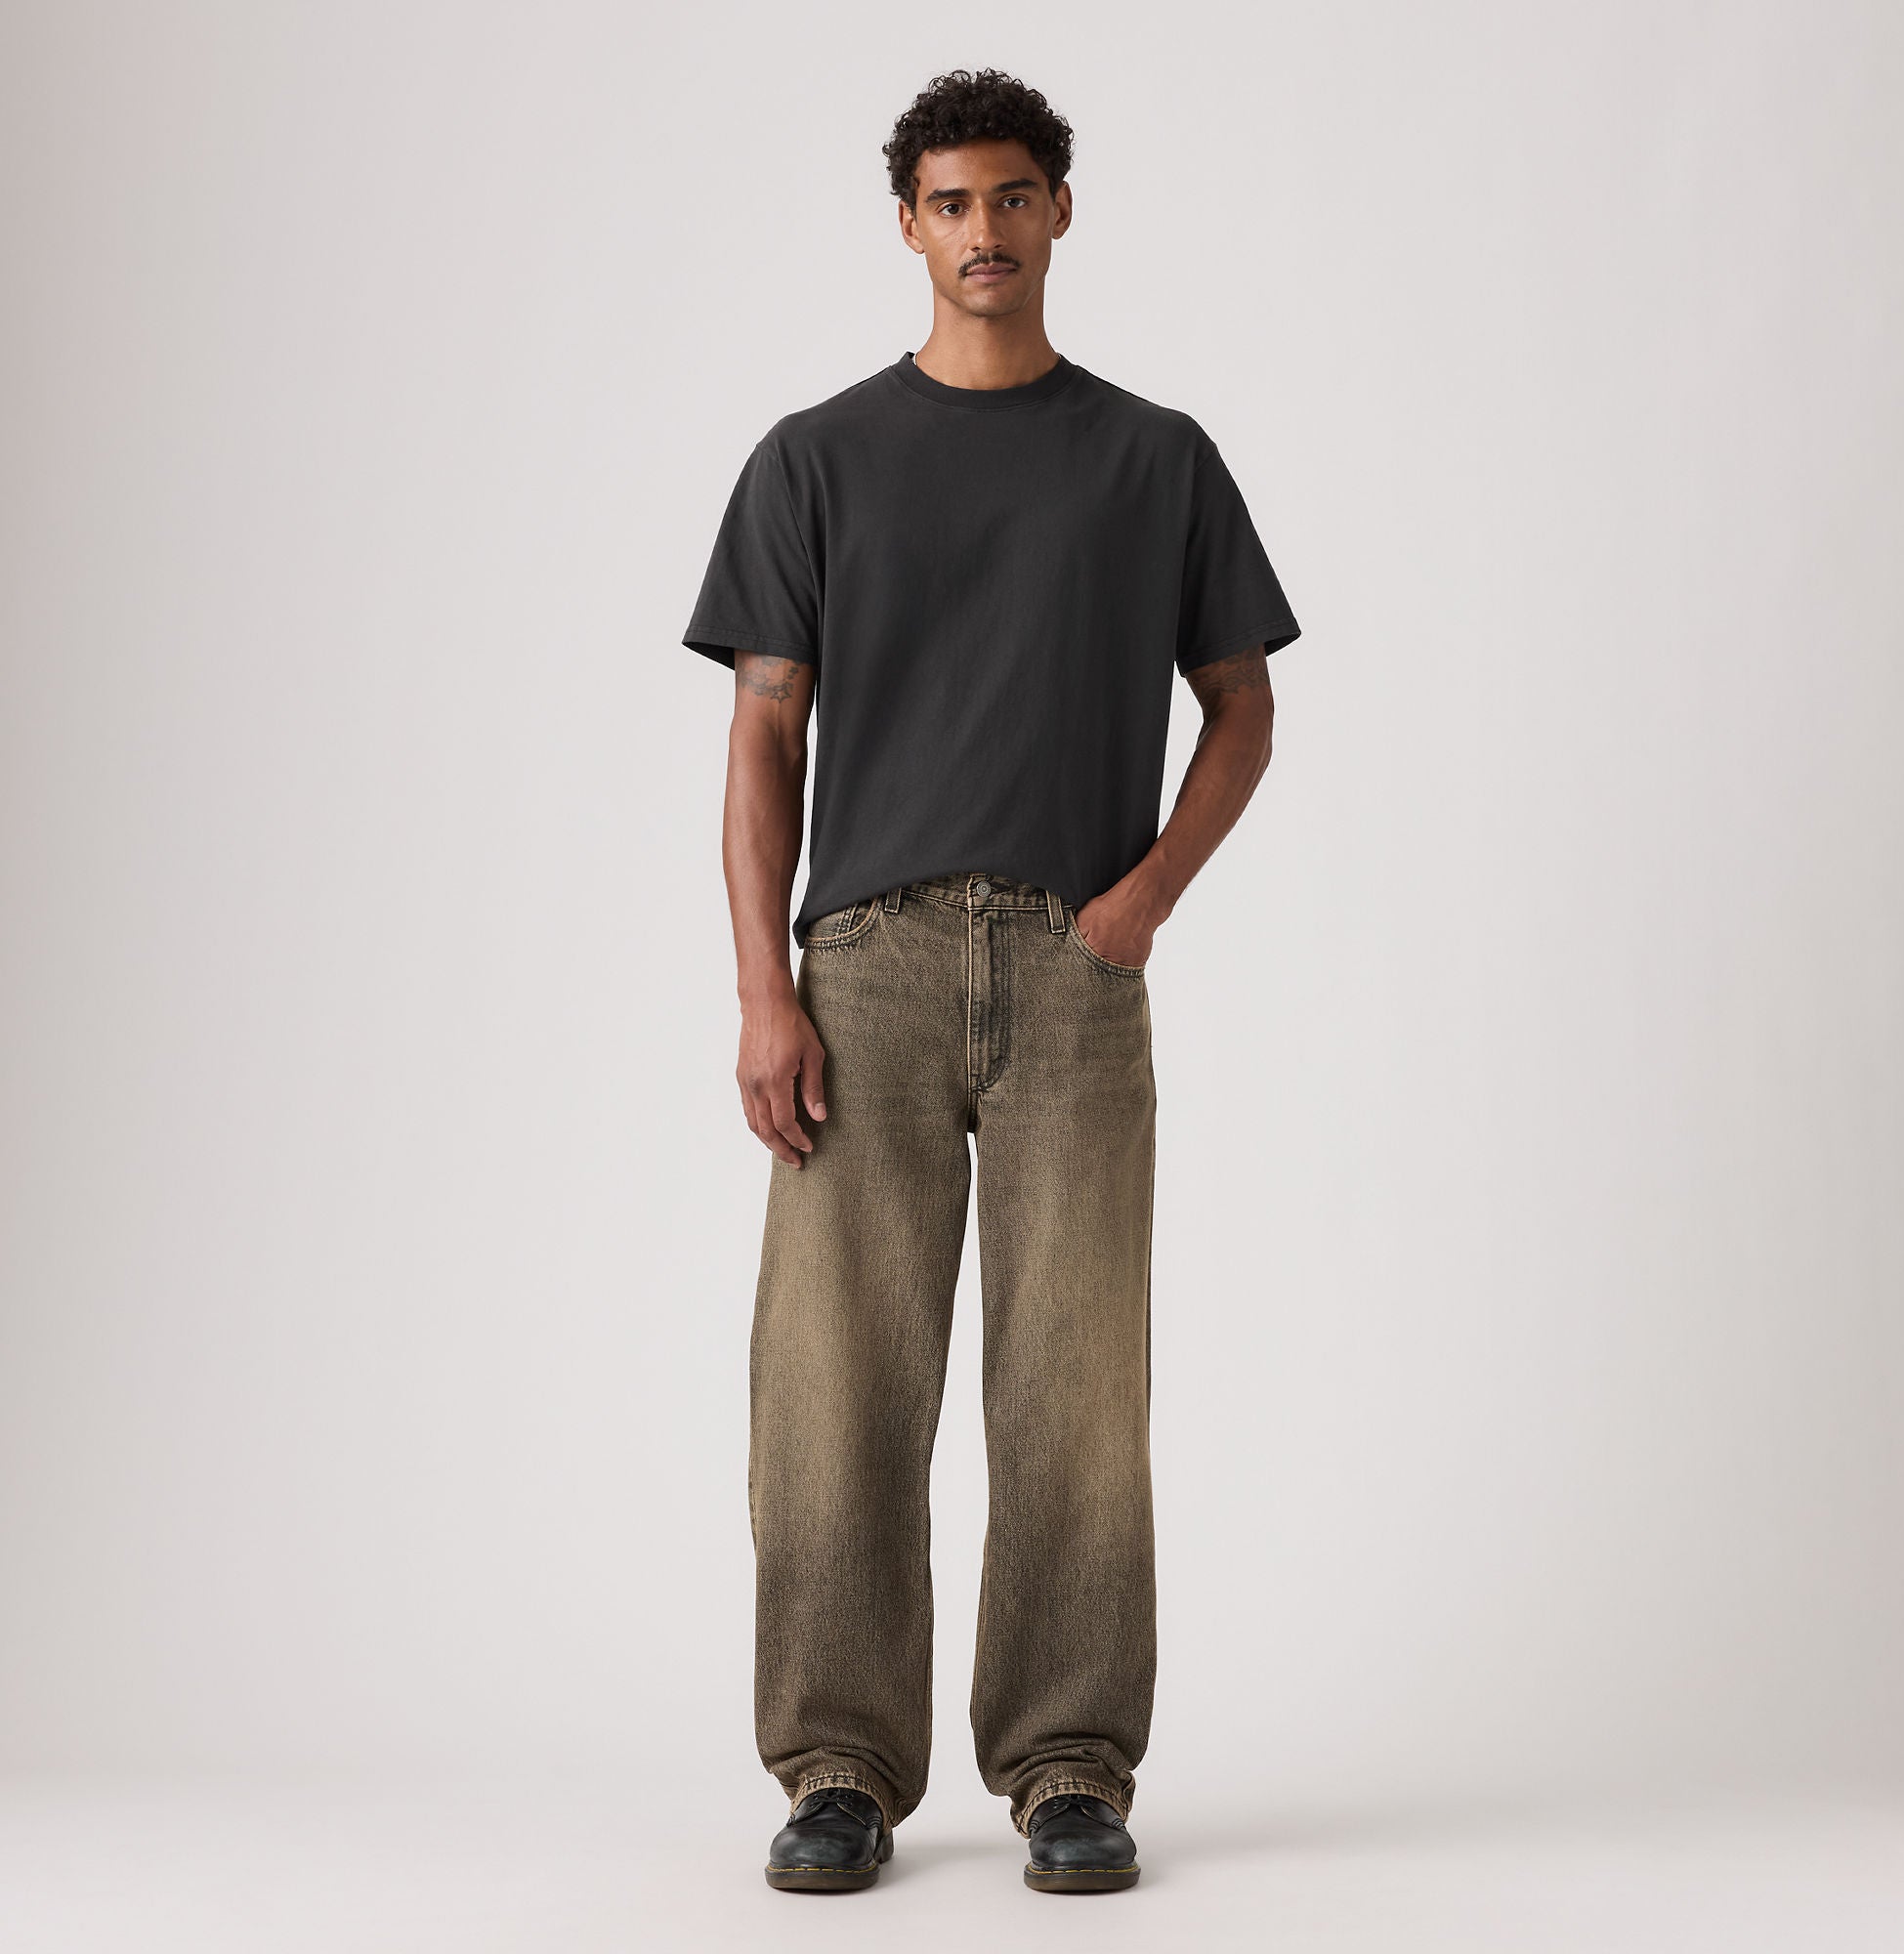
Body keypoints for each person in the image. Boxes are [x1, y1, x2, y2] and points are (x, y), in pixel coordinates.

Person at [682, 66, 1298, 1894]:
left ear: (1059, 212)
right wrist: (765, 989)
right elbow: (763, 734)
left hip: (1074, 966)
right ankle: (838, 1768)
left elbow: (1244, 705)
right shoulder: (813, 459)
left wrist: (1144, 902)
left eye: (1012, 197)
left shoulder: (1154, 458)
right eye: (950, 203)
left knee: (1076, 1385)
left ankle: (1069, 1765)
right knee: (834, 1384)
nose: (983, 232)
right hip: (862, 970)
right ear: (907, 225)